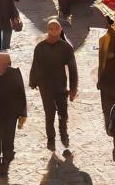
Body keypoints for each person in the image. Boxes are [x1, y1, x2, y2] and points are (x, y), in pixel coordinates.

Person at [29, 19, 78, 155]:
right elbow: (35, 65)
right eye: (51, 28)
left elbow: (73, 69)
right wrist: (33, 80)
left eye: (56, 28)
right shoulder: (40, 47)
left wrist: (73, 88)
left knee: (63, 113)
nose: (53, 31)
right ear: (47, 30)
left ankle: (64, 137)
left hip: (60, 85)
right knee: (49, 114)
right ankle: (51, 140)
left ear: (60, 30)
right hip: (46, 86)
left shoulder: (66, 48)